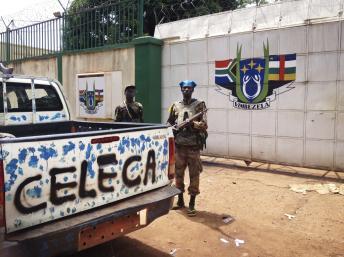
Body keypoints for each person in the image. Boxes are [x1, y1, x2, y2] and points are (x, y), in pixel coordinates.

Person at [167, 80, 208, 217]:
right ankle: (180, 201)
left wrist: (193, 125)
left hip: (193, 147)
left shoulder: (199, 105)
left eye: (189, 88)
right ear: (181, 90)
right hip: (179, 146)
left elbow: (204, 125)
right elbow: (169, 122)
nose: (186, 90)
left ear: (193, 90)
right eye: (184, 88)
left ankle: (192, 203)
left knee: (194, 175)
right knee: (178, 175)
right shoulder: (175, 105)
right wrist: (171, 127)